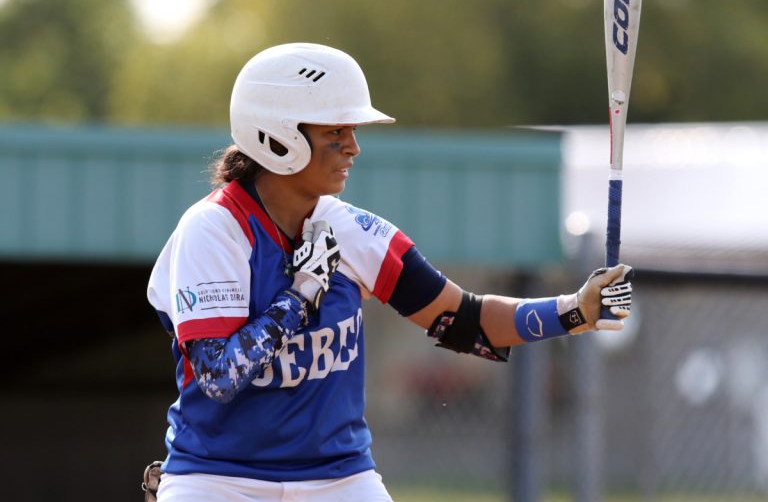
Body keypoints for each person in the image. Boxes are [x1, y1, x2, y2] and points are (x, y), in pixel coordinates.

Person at [144, 42, 633, 502]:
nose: (353, 147)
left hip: (338, 478)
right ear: (277, 136)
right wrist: (298, 298)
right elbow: (219, 376)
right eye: (335, 132)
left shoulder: (347, 228)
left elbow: (465, 322)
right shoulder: (214, 230)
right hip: (219, 479)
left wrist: (574, 310)